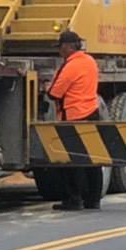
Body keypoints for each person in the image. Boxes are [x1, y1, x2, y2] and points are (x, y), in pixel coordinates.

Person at [45, 30, 106, 210]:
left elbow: (54, 93)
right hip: (91, 112)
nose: (59, 51)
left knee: (71, 161)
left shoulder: (71, 66)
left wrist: (48, 87)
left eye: (61, 47)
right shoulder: (90, 62)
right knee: (92, 160)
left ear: (68, 46)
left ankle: (73, 199)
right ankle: (93, 200)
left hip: (74, 116)